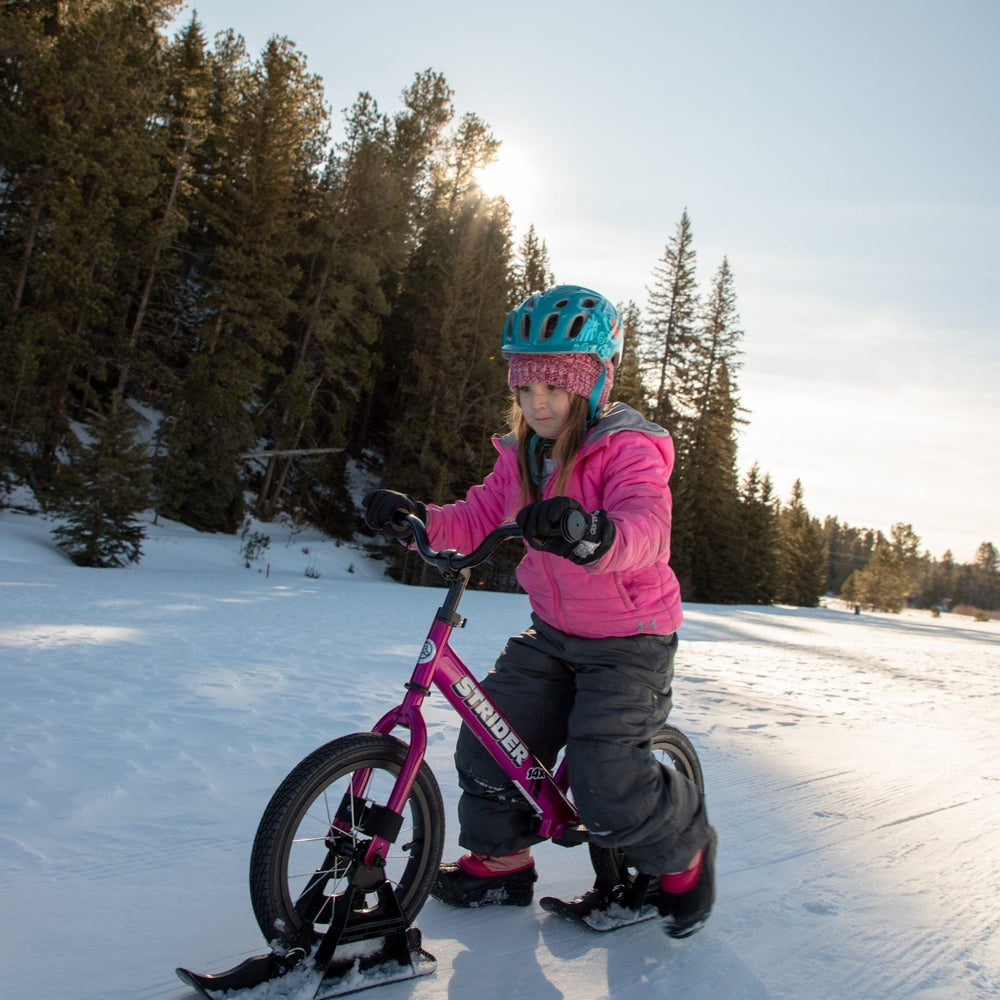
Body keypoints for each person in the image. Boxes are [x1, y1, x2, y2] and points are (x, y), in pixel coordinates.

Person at [362, 284, 716, 938]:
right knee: (493, 735)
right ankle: (501, 861)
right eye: (525, 388)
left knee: (605, 782)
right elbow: (473, 518)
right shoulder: (523, 456)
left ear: (596, 383)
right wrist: (418, 517)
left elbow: (645, 526)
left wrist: (593, 533)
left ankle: (684, 852)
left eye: (556, 386)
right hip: (554, 636)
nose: (538, 401)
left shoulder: (627, 449)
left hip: (629, 640)